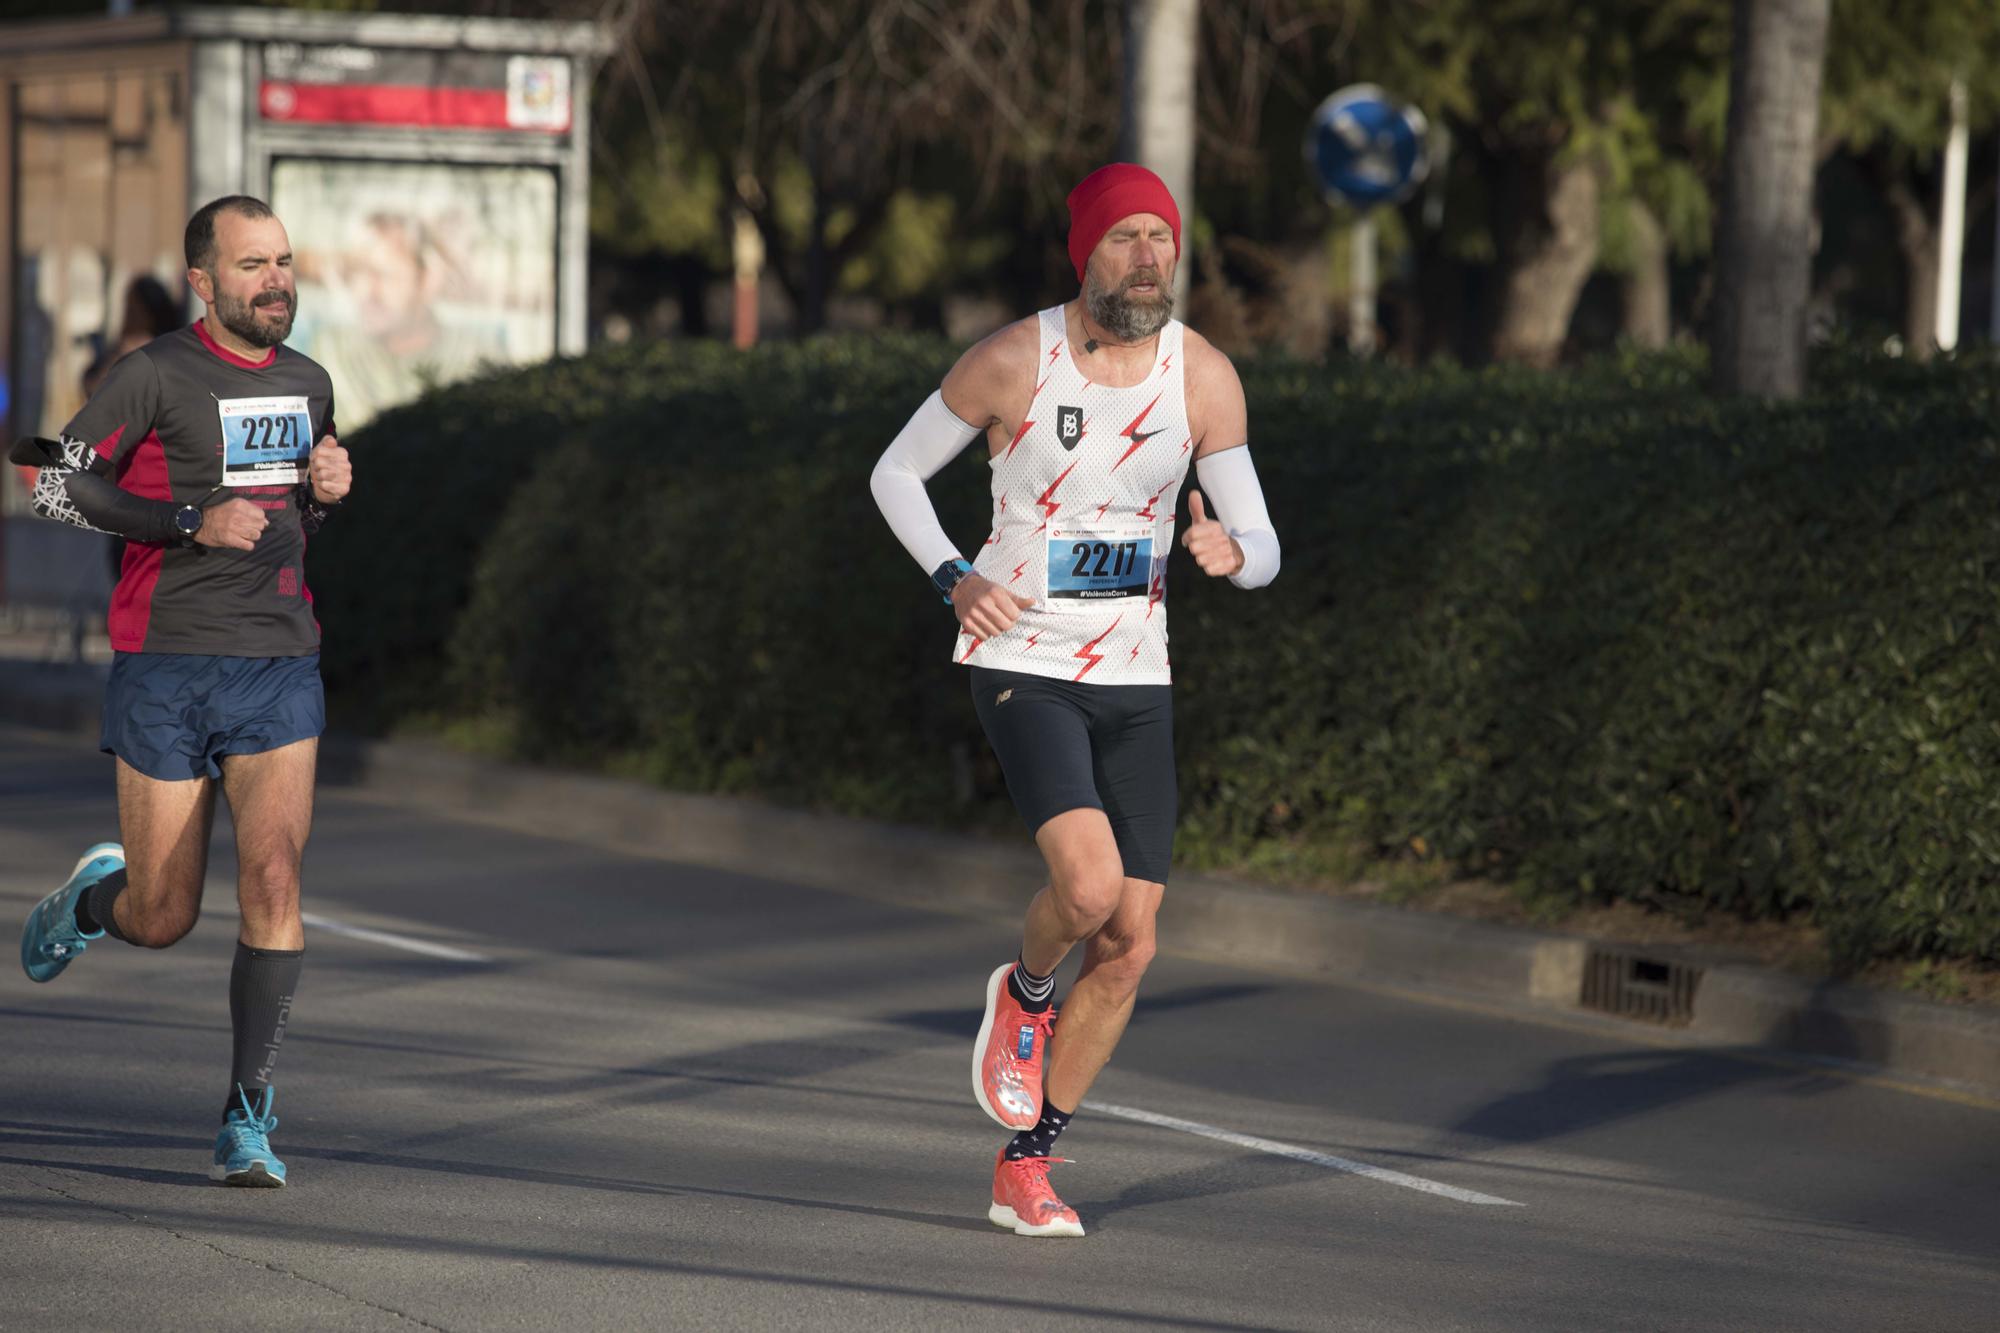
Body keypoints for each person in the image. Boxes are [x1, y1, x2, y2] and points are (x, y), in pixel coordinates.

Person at [869, 163, 1280, 1237]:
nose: (1147, 257)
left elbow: (1265, 544)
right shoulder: (1015, 358)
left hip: (1137, 674)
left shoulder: (1203, 377)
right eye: (1124, 239)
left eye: (1160, 238)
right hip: (1024, 659)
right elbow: (894, 474)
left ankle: (1027, 1163)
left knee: (1135, 941)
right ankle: (1027, 991)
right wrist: (952, 575)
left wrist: (1232, 551)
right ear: (1085, 254)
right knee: (1089, 889)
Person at [14, 195, 352, 1188]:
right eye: (253, 265)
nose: (276, 280)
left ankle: (246, 1115)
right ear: (204, 281)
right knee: (163, 913)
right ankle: (92, 900)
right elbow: (46, 479)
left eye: (284, 261)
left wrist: (323, 497)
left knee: (276, 878)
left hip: (279, 659)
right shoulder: (152, 374)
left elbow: (292, 520)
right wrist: (184, 521)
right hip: (165, 661)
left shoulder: (310, 382)